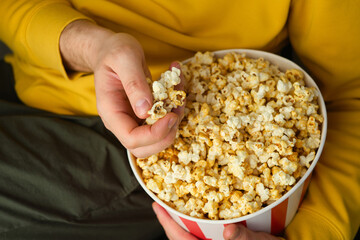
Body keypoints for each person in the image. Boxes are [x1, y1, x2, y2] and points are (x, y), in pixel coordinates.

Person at [0, 0, 359, 239]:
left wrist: (315, 231)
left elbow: (351, 97)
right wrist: (91, 46)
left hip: (140, 144)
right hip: (36, 65)